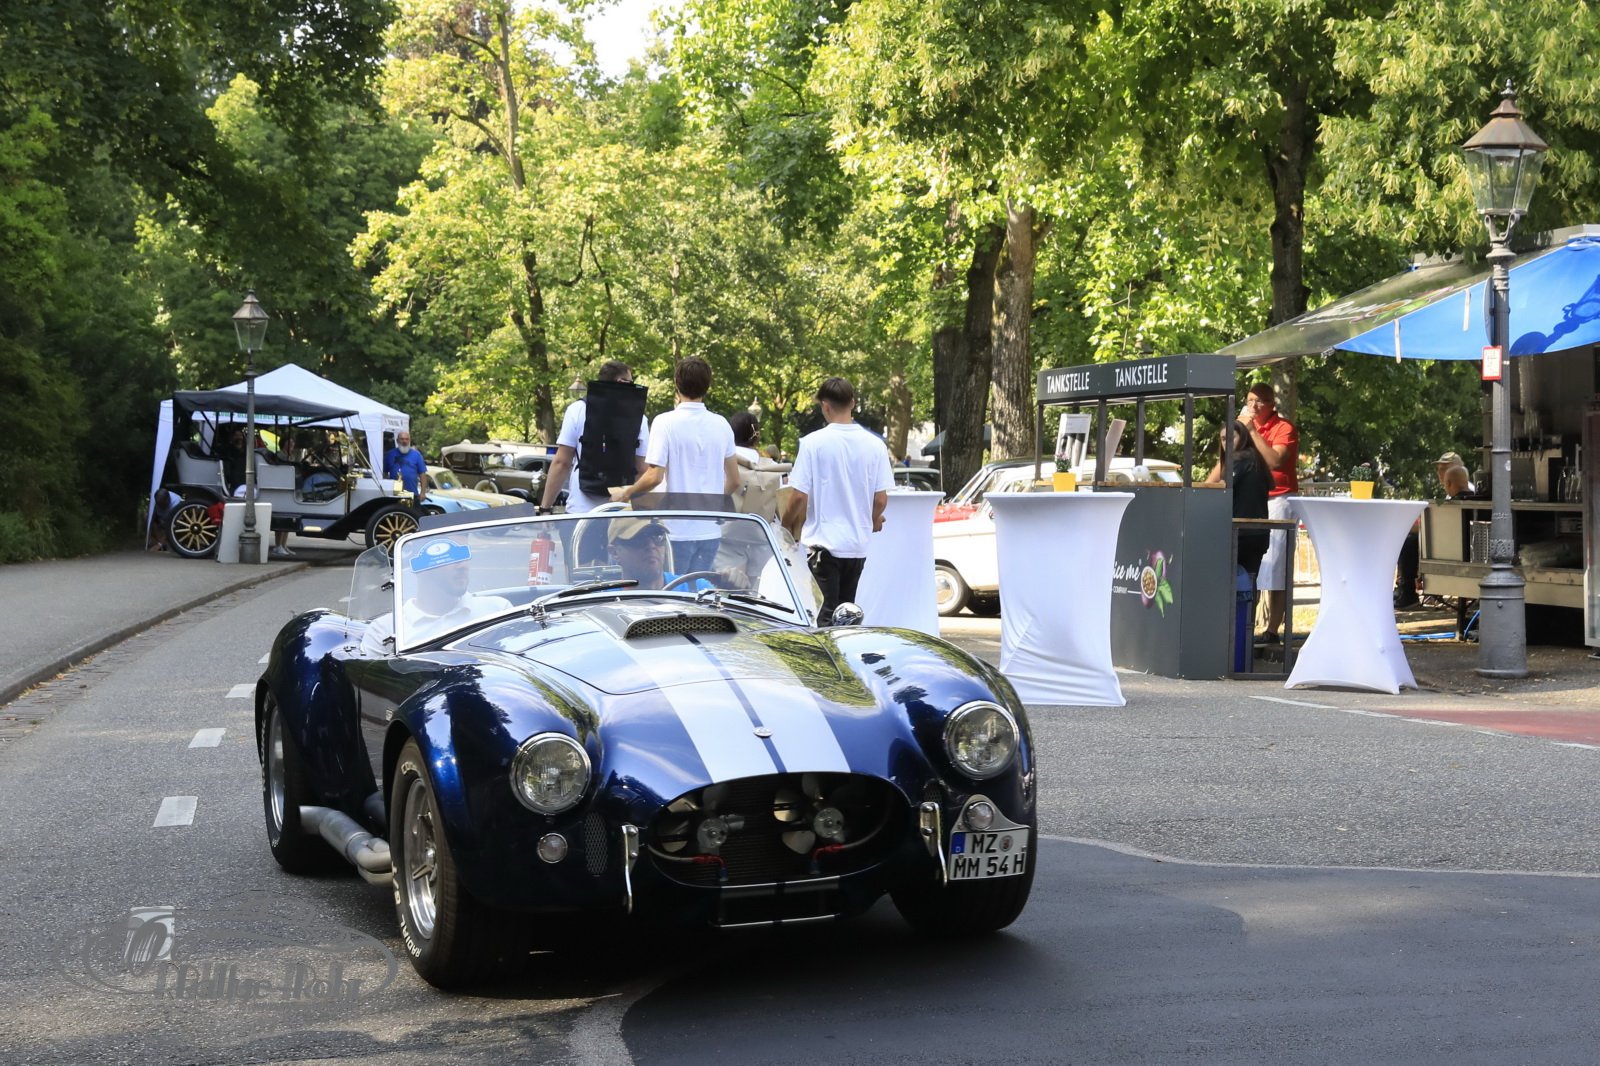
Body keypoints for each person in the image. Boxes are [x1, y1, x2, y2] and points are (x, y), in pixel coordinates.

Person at [781, 377, 894, 625]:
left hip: (823, 543)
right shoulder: (875, 445)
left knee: (824, 613)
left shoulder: (812, 443)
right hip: (856, 543)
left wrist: (786, 525)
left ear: (825, 405)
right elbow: (880, 499)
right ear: (852, 403)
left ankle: (825, 652)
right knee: (848, 614)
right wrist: (873, 519)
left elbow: (798, 496)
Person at [612, 357, 738, 573]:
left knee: (673, 590)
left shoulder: (665, 422)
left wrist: (626, 493)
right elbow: (734, 480)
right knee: (701, 589)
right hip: (710, 530)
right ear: (707, 386)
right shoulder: (722, 425)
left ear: (676, 384)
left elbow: (654, 476)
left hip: (675, 530)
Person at [360, 538, 512, 656]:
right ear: (420, 570)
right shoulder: (385, 629)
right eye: (449, 558)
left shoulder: (497, 610)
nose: (462, 566)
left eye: (463, 556)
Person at [540, 360, 649, 516]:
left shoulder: (577, 410)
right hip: (619, 512)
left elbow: (562, 463)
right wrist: (625, 497)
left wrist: (545, 508)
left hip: (580, 510)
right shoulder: (639, 419)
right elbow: (642, 469)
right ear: (621, 382)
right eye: (631, 382)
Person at [1240, 383, 1299, 644]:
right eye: (1250, 400)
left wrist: (1252, 431)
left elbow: (1275, 460)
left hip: (1279, 499)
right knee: (1249, 563)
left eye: (1259, 401)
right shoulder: (1242, 426)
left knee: (1276, 565)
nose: (1253, 406)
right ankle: (1245, 626)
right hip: (1250, 499)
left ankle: (1272, 630)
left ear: (1271, 404)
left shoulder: (1284, 428)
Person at [1206, 421, 1271, 582]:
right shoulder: (1256, 458)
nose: (1226, 443)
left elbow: (1221, 490)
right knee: (1248, 585)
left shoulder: (1239, 459)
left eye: (1231, 438)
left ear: (1242, 437)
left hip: (1241, 534)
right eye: (1223, 439)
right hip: (1259, 534)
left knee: (1228, 585)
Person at [606, 516, 737, 591]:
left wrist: (733, 589)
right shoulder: (603, 599)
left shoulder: (695, 588)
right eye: (639, 540)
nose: (651, 546)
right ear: (615, 552)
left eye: (658, 537)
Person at [383, 431, 427, 498]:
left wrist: (423, 493)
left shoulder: (417, 455)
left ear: (409, 441)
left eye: (407, 439)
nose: (404, 441)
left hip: (412, 494)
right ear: (397, 440)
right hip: (393, 495)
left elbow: (422, 475)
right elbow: (384, 474)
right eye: (402, 439)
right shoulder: (390, 455)